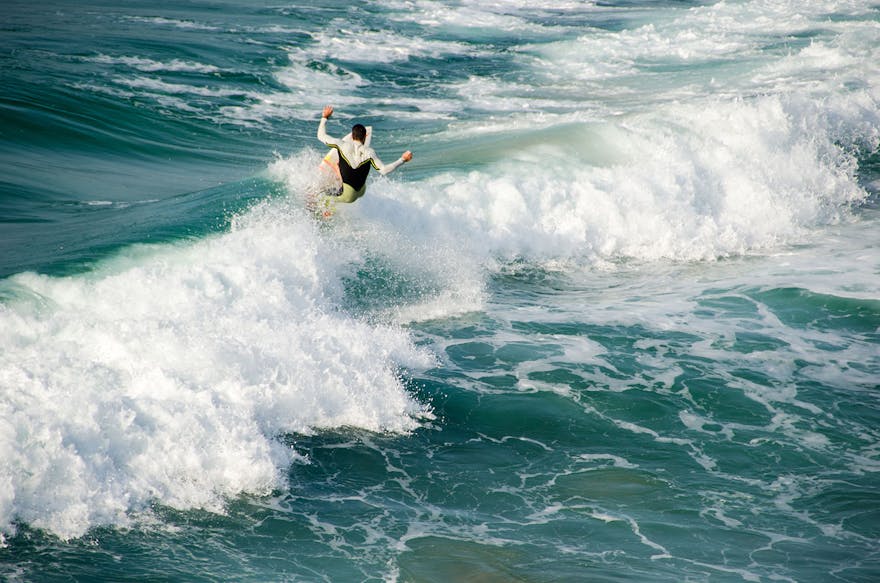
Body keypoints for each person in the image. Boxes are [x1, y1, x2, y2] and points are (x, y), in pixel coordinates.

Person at [317, 105, 413, 203]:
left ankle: (323, 209)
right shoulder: (369, 152)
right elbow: (384, 170)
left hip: (348, 196)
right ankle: (339, 173)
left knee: (321, 195)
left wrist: (325, 117)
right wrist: (403, 159)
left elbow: (321, 135)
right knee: (352, 167)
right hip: (361, 191)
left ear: (352, 136)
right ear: (364, 138)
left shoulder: (341, 145)